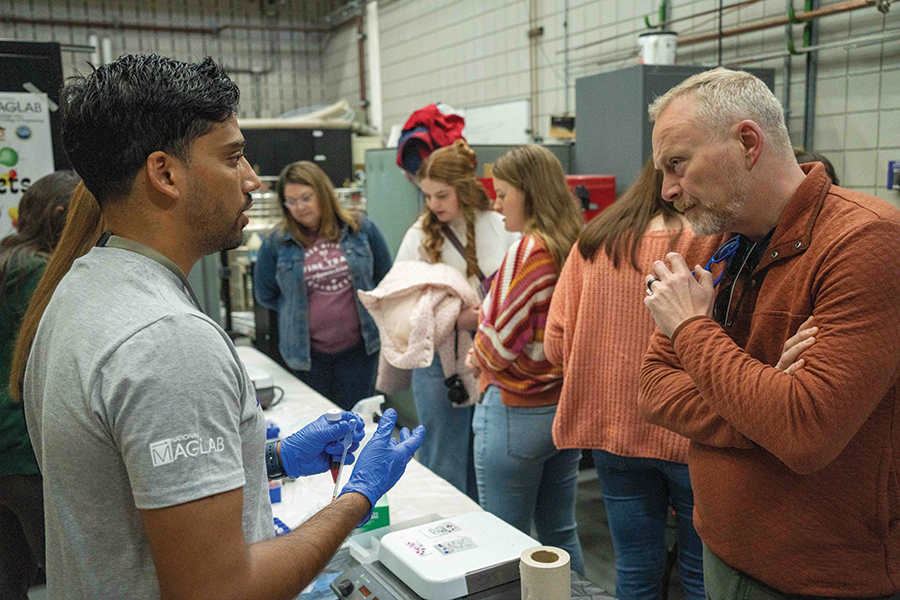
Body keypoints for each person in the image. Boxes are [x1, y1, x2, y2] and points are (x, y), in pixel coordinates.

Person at [17, 53, 424, 599]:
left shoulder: (81, 287)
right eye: (233, 158)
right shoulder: (166, 340)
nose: (253, 180)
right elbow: (219, 591)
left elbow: (129, 484)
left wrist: (270, 458)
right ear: (164, 173)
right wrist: (358, 496)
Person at [640, 67, 900, 599]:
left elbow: (804, 432)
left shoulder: (867, 242)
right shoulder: (708, 243)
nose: (666, 190)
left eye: (677, 164)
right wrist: (763, 403)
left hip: (821, 578)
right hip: (721, 543)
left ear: (747, 143)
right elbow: (652, 387)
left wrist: (691, 328)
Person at [545, 157, 722, 600]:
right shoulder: (715, 239)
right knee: (702, 574)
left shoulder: (594, 239)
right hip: (691, 432)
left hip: (613, 431)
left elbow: (555, 343)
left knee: (636, 567)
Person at [468, 145, 585, 575]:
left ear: (529, 192)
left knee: (503, 542)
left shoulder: (527, 250)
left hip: (516, 412)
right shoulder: (574, 241)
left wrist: (476, 351)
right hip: (561, 410)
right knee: (561, 535)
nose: (496, 206)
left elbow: (498, 344)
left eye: (502, 194)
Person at [395, 139, 518, 499]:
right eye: (428, 196)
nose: (433, 205)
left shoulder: (501, 225)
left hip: (492, 358)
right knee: (444, 462)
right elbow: (400, 310)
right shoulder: (419, 235)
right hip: (439, 363)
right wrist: (456, 318)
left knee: (485, 461)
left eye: (442, 195)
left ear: (464, 189)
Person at [253, 161, 392, 410]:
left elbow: (385, 277)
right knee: (317, 427)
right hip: (308, 357)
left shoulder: (360, 229)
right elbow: (266, 295)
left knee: (356, 423)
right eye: (291, 201)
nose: (300, 207)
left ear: (323, 194)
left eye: (306, 198)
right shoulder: (277, 242)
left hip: (359, 351)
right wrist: (296, 304)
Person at [0, 170, 80, 599]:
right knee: (68, 575)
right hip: (24, 452)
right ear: (61, 215)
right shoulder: (39, 273)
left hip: (5, 456)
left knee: (9, 576)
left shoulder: (8, 258)